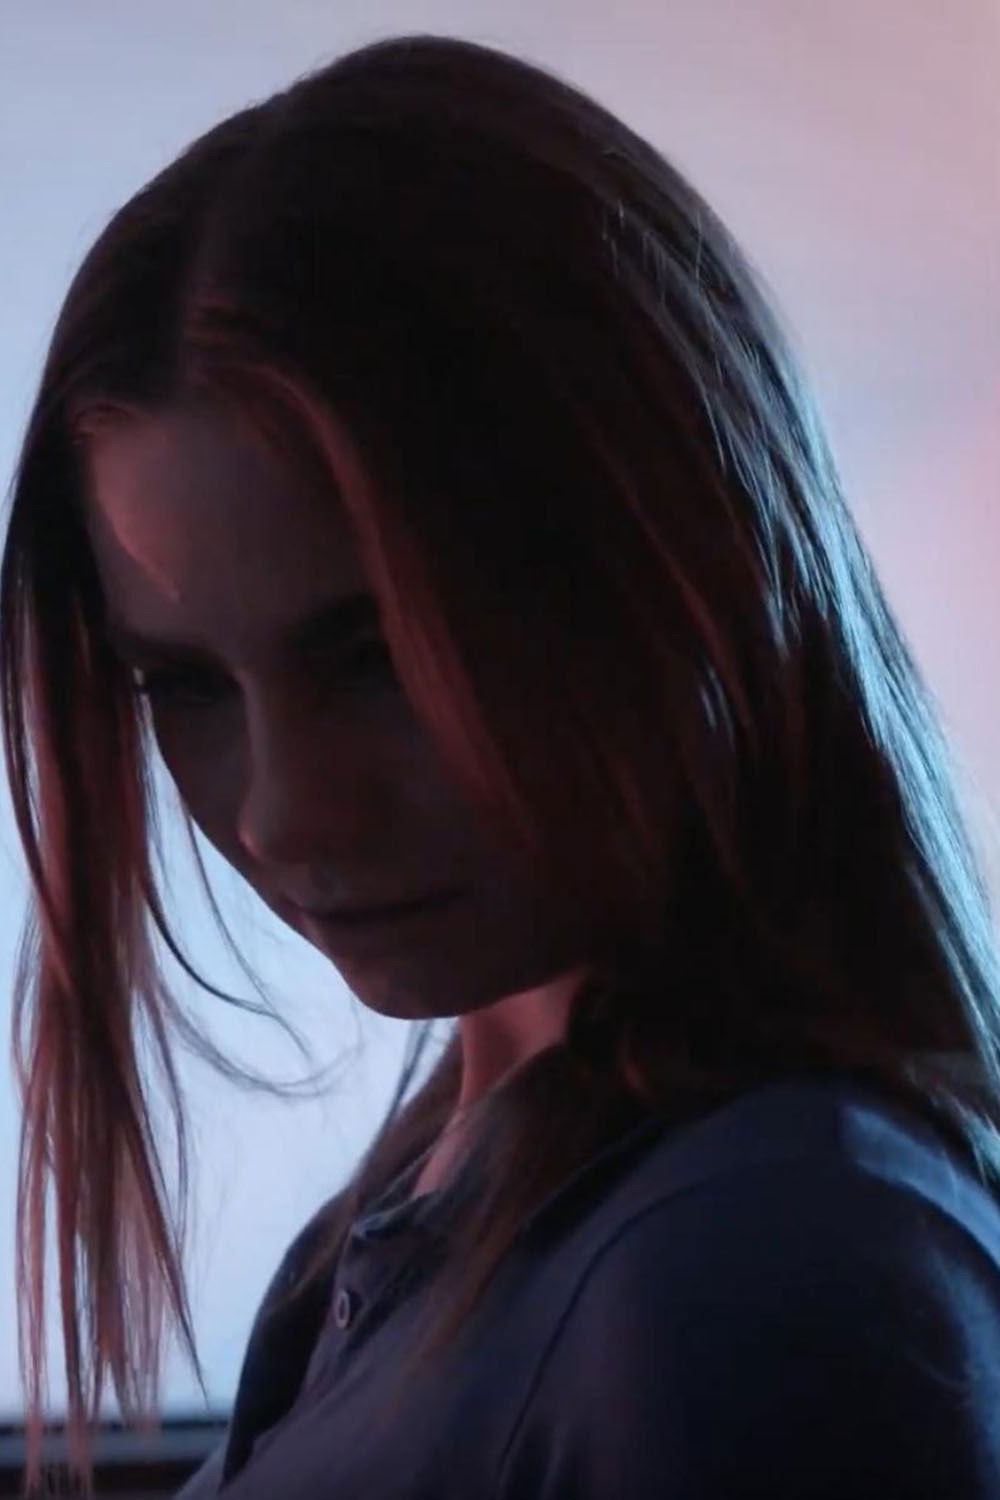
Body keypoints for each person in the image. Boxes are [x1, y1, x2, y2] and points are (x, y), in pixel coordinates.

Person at [3, 32, 1000, 1500]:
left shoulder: (751, 1274)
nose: (282, 812)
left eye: (381, 654)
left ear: (668, 567)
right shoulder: (462, 1199)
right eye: (187, 685)